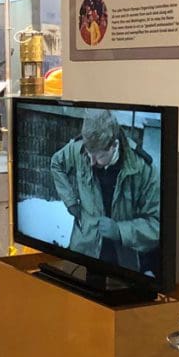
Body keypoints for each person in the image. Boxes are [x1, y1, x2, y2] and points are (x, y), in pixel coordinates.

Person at [49, 109, 160, 273]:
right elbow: (56, 163)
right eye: (89, 154)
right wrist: (71, 201)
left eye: (99, 156)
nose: (92, 162)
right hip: (82, 254)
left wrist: (120, 231)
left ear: (114, 146)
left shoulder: (143, 169)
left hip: (121, 264)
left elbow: (156, 224)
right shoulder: (80, 149)